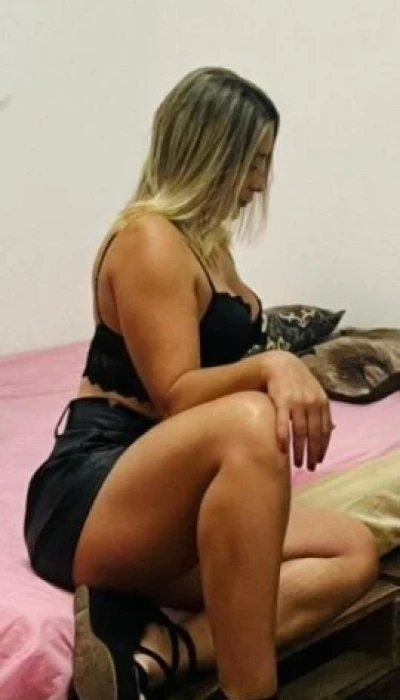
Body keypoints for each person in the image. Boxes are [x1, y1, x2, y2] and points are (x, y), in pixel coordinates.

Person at [24, 67, 378, 700]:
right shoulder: (148, 240)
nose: (259, 183)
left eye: (265, 164)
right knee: (249, 424)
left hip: (168, 496)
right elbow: (177, 394)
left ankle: (159, 652)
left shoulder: (209, 246)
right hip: (94, 492)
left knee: (351, 551)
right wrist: (272, 367)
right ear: (210, 150)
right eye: (252, 162)